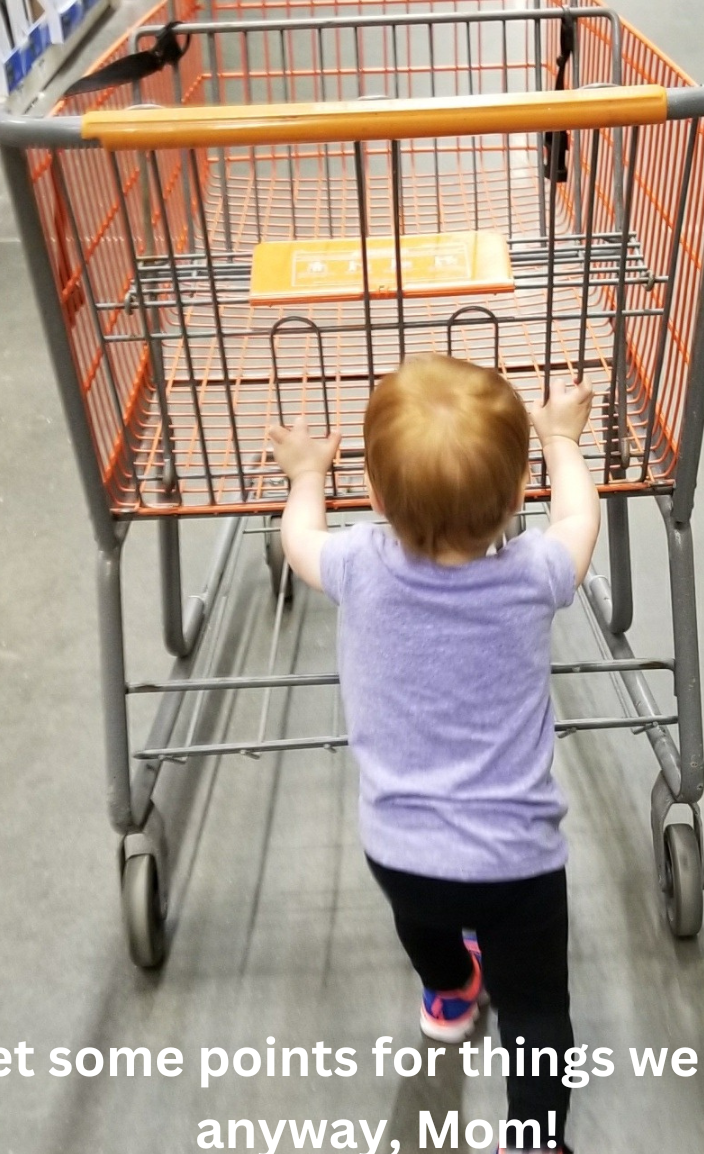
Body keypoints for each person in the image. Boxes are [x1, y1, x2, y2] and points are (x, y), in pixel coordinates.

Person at [267, 353, 600, 1153]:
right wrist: (561, 440)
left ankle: (449, 993)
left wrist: (308, 474)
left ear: (378, 500)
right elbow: (579, 520)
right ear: (516, 496)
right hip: (518, 863)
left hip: (401, 850)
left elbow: (296, 539)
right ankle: (534, 1139)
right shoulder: (534, 574)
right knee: (537, 1011)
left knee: (430, 931)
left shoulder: (357, 566)